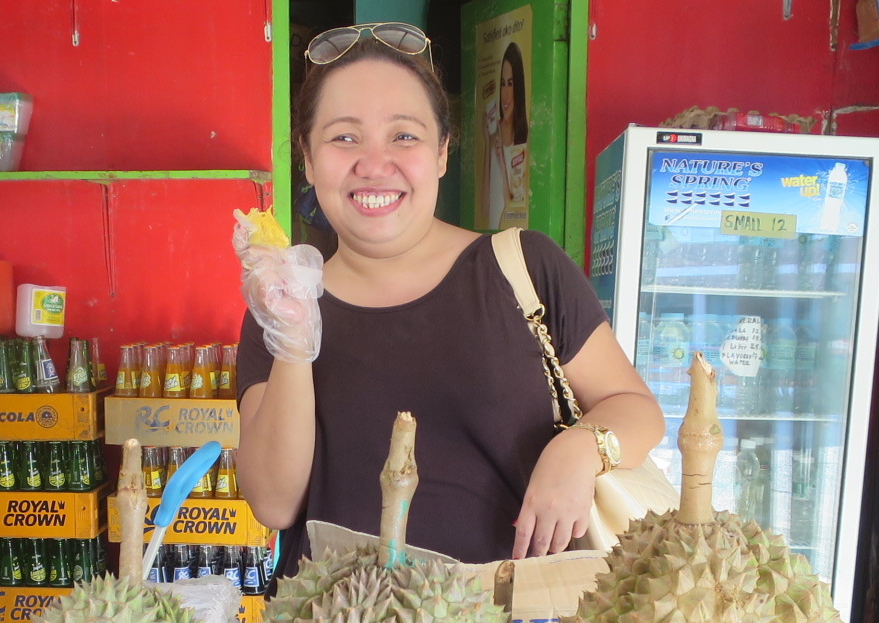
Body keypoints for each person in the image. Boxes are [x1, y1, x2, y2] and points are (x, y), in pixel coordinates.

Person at [233, 21, 663, 571]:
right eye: (343, 137)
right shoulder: (281, 306)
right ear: (309, 159)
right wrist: (293, 337)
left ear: (441, 152)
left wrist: (582, 448)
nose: (373, 163)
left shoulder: (523, 268)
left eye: (404, 136)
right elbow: (273, 502)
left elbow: (638, 410)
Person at [485, 41, 530, 230]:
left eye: (511, 84)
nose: (506, 93)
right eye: (503, 84)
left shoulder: (525, 138)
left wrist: (503, 165)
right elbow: (484, 204)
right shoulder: (492, 133)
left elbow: (514, 200)